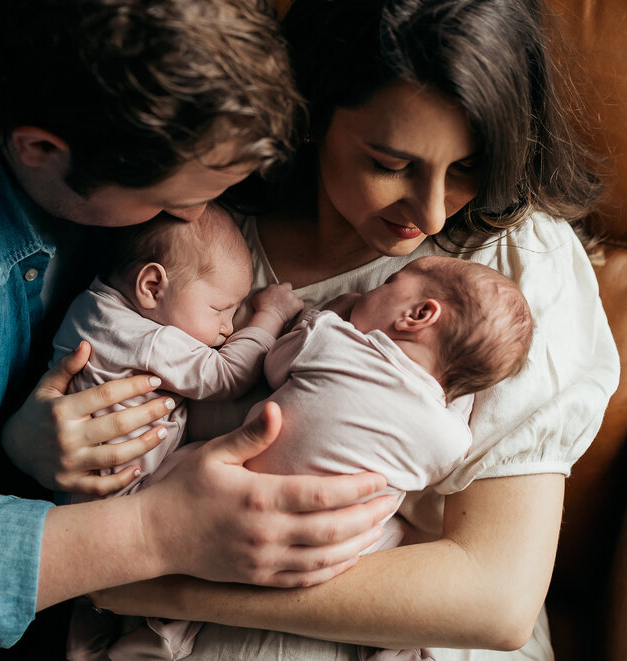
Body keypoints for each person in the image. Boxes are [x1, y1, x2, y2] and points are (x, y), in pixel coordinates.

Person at [0, 0, 397, 654]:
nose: (194, 219)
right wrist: (159, 530)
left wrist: (22, 441)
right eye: (168, 201)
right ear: (40, 148)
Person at [85, 0, 620, 659]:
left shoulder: (517, 267)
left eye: (468, 167)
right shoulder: (199, 228)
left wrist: (152, 577)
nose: (427, 213)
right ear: (312, 112)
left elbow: (496, 597)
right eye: (390, 163)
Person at [102, 255, 534, 661]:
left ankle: (162, 628)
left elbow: (274, 365)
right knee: (394, 533)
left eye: (388, 284)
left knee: (185, 464)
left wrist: (334, 311)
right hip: (329, 546)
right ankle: (393, 648)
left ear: (418, 314)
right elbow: (434, 466)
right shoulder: (450, 436)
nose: (370, 292)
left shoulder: (332, 338)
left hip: (233, 495)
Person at [52, 205, 303, 499]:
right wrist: (271, 314)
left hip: (74, 490)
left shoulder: (88, 309)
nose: (229, 328)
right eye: (220, 310)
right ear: (152, 286)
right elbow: (228, 375)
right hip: (130, 492)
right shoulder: (149, 340)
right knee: (223, 458)